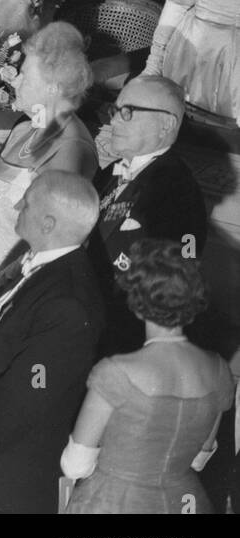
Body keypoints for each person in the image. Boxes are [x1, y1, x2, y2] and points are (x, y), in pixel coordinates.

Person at [0, 172, 106, 513]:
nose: (17, 205)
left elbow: (27, 391)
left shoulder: (68, 300)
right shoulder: (41, 268)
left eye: (27, 201)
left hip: (18, 473)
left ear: (48, 223)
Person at [64, 240, 234, 514]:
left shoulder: (115, 372)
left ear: (136, 304)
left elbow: (75, 465)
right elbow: (200, 458)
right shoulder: (219, 371)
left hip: (112, 501)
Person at [0, 22, 97, 348]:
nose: (16, 79)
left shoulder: (73, 147)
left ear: (51, 88)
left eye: (26, 75)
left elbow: (47, 240)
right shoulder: (22, 130)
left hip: (20, 298)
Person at [89, 75, 209, 356]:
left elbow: (171, 282)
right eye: (114, 111)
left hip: (126, 340)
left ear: (166, 125)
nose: (114, 121)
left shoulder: (176, 189)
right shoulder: (111, 171)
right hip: (92, 326)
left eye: (128, 113)